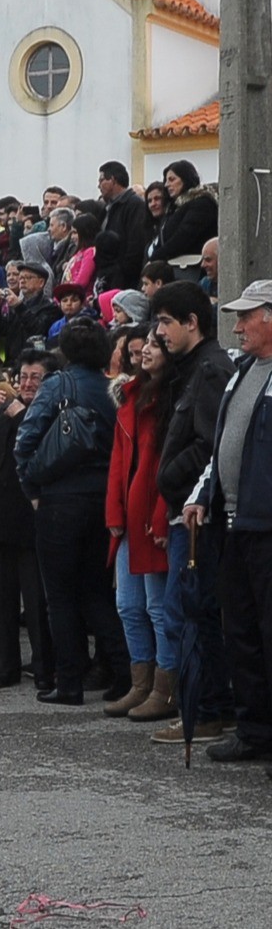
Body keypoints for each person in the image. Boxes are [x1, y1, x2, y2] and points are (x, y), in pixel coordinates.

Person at [15, 318, 128, 706]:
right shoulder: (115, 390)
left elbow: (25, 440)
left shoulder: (57, 385)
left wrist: (33, 489)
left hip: (60, 498)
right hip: (104, 500)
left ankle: (69, 682)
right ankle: (126, 673)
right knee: (97, 592)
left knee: (59, 596)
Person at [186, 280, 272, 763]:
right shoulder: (243, 371)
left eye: (246, 316)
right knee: (241, 632)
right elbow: (221, 448)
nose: (236, 326)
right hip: (237, 525)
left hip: (267, 527)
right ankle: (256, 731)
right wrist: (204, 494)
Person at [151, 280, 236, 744]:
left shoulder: (209, 370)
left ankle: (206, 712)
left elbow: (209, 444)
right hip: (186, 510)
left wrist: (173, 479)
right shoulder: (190, 368)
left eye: (166, 322)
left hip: (197, 515)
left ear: (192, 323)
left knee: (195, 611)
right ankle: (209, 708)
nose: (158, 332)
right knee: (190, 610)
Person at [0, 349, 56, 688]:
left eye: (37, 377)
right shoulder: (3, 408)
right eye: (24, 376)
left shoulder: (52, 409)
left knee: (36, 602)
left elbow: (44, 451)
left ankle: (45, 668)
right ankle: (8, 667)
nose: (29, 383)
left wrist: (22, 416)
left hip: (31, 522)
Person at [104, 329, 177, 721]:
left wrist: (161, 513)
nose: (143, 351)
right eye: (142, 345)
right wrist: (113, 512)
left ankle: (165, 689)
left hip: (153, 518)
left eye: (152, 345)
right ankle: (141, 683)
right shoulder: (130, 398)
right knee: (128, 606)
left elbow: (171, 464)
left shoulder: (169, 399)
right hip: (129, 520)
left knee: (157, 607)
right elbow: (118, 462)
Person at [97, 160, 152, 289]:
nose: (98, 186)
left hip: (124, 280)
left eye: (101, 180)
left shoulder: (134, 205)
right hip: (108, 277)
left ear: (113, 180)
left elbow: (136, 243)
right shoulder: (107, 208)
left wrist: (120, 273)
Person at [150, 160, 218, 263]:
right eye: (166, 181)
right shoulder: (175, 208)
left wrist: (155, 258)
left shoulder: (202, 203)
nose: (167, 185)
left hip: (194, 269)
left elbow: (182, 238)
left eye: (172, 179)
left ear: (185, 178)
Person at [0, 262, 60, 362]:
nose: (22, 281)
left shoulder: (50, 307)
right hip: (12, 363)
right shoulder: (16, 305)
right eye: (20, 277)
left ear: (41, 282)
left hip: (35, 362)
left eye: (28, 277)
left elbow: (38, 330)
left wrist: (19, 307)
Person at [144, 183, 173, 261]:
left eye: (157, 199)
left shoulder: (170, 226)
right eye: (149, 201)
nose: (153, 204)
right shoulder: (151, 230)